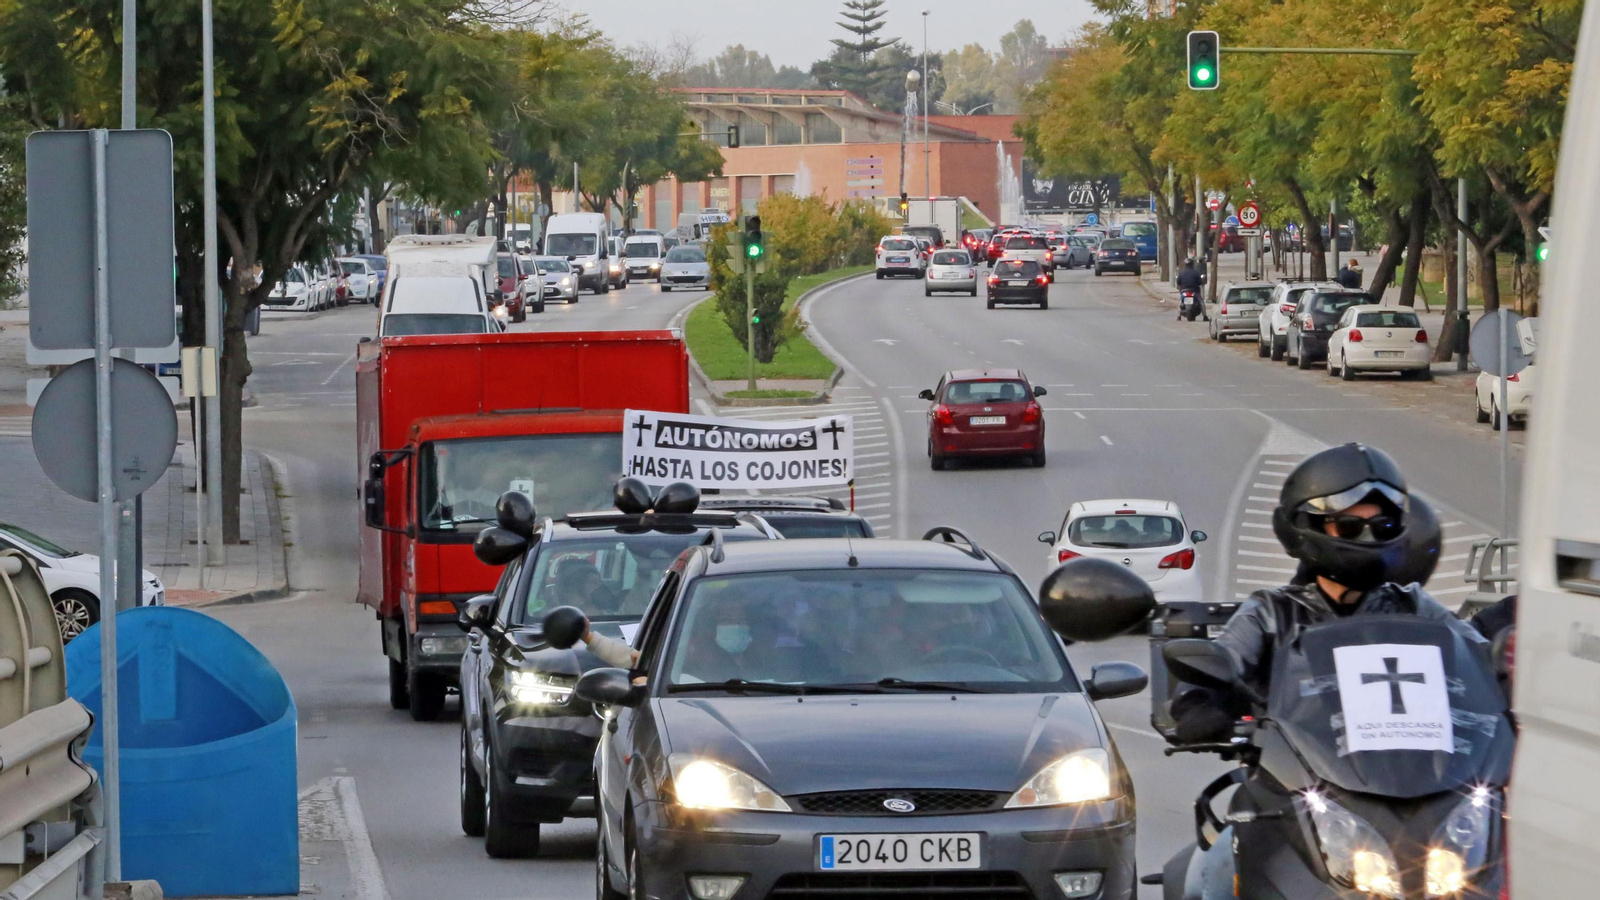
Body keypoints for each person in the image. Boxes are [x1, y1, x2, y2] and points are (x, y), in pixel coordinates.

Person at [1170, 442, 1485, 743]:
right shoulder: (1271, 613)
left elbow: (1474, 654)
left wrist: (1502, 657)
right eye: (1348, 526)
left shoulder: (1412, 605)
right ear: (1312, 527)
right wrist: (1200, 705)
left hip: (1408, 775)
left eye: (1383, 527)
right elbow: (1217, 666)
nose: (1367, 536)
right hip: (1296, 774)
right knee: (1243, 800)